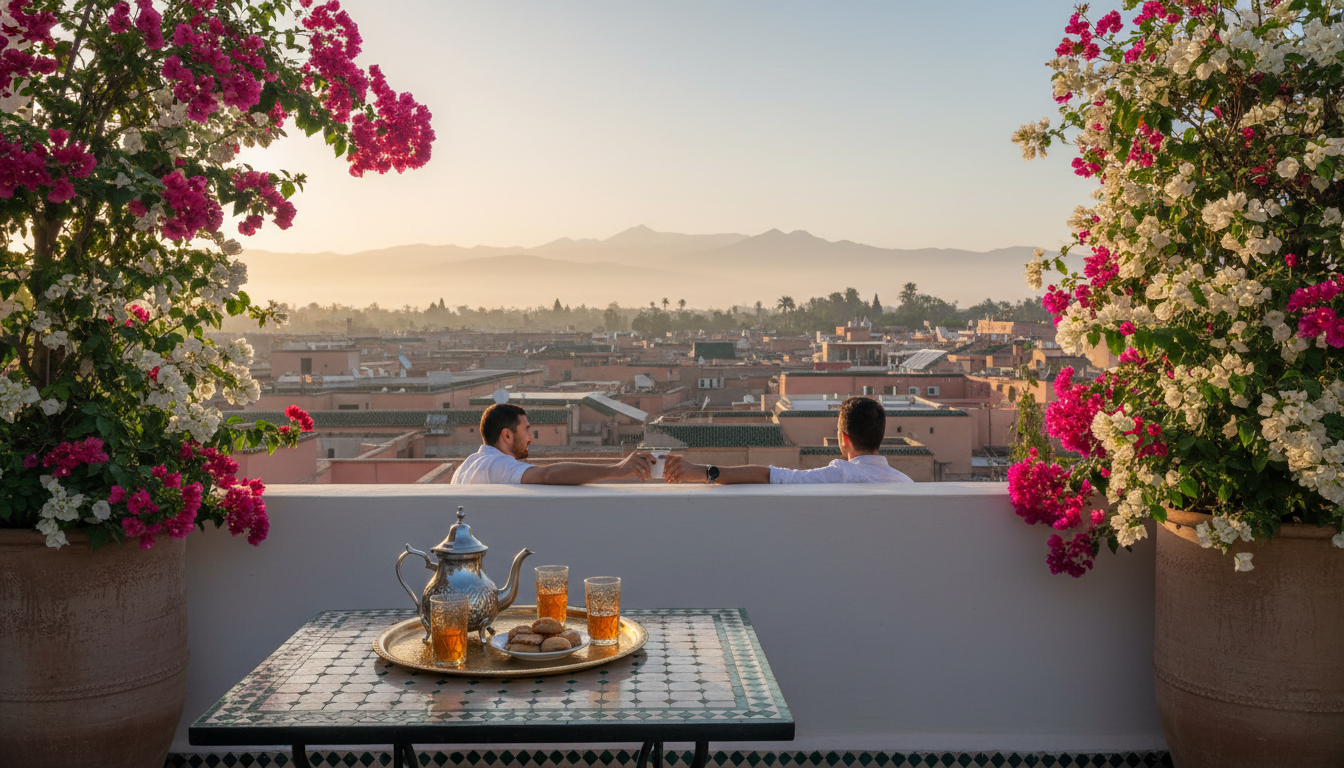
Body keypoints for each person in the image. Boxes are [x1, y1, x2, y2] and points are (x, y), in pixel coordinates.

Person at [664, 396, 913, 484]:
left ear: (844, 438)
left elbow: (767, 476)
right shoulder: (906, 483)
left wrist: (700, 471)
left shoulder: (839, 475)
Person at [451, 403, 655, 484]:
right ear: (507, 435)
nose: (531, 437)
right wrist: (617, 469)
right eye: (527, 430)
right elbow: (548, 475)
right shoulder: (498, 466)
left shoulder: (465, 467)